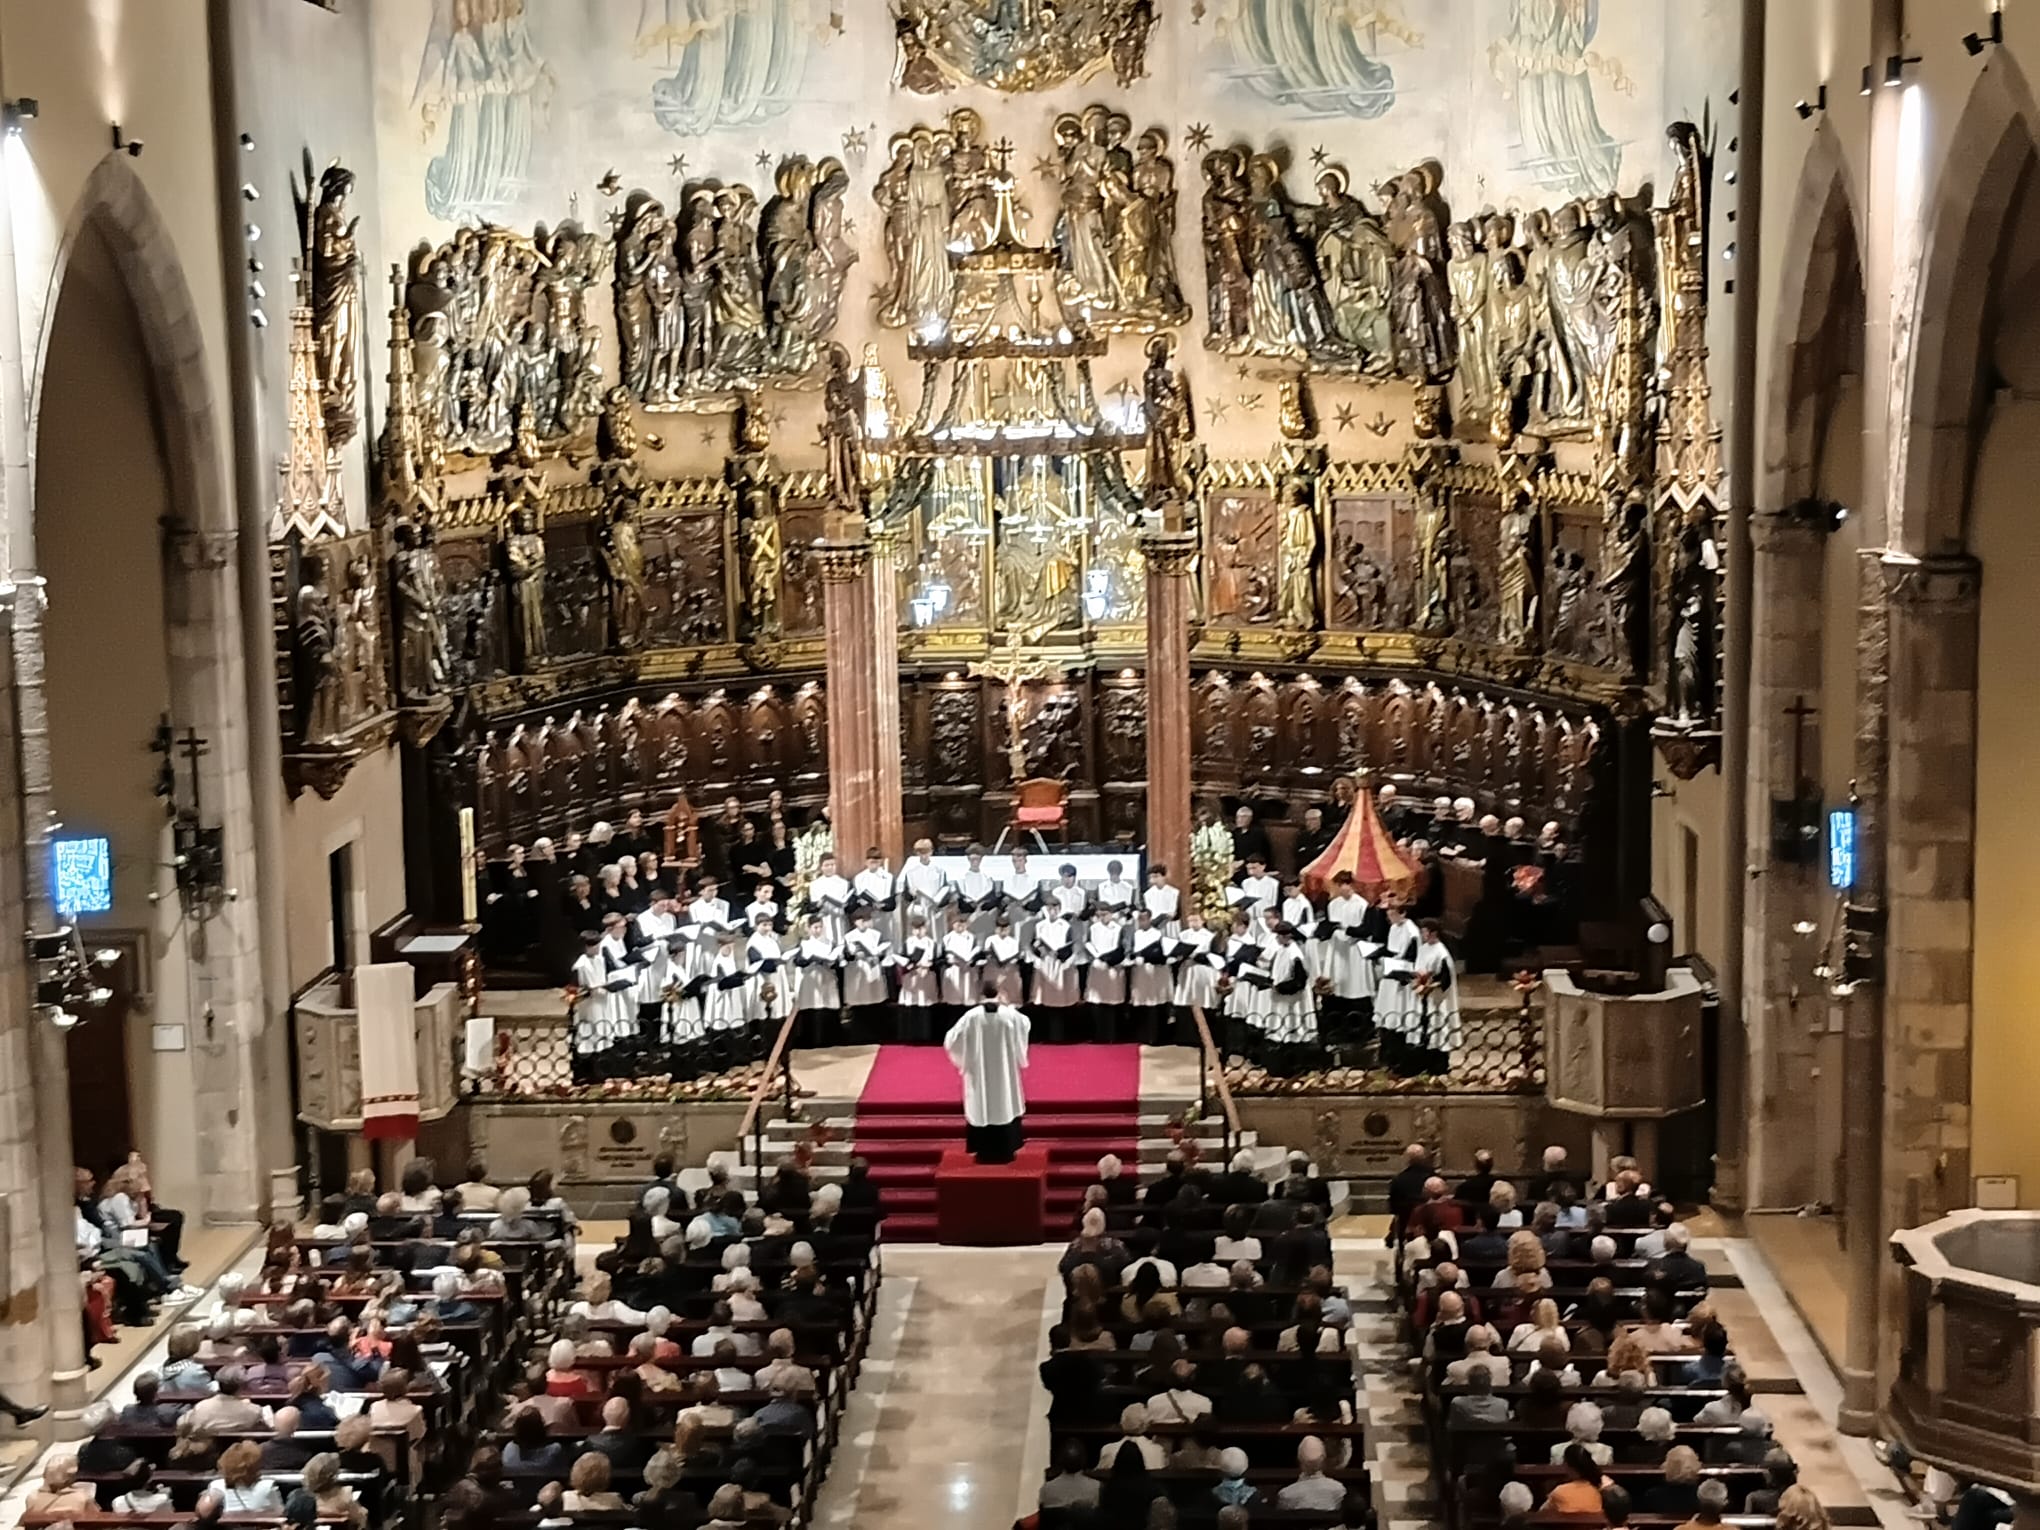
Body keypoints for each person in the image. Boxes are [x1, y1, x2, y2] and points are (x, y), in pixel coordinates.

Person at [945, 980, 1031, 1164]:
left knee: (981, 1104)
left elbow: (951, 1040)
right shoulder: (1009, 1015)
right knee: (1004, 1102)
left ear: (981, 994)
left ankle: (983, 1152)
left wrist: (964, 1060)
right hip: (1004, 1074)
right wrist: (1008, 1005)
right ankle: (1005, 1150)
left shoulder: (971, 1017)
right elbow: (1025, 1024)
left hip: (979, 1074)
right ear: (998, 993)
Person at [209, 1439, 283, 1514]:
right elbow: (280, 1512)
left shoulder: (216, 1486)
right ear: (255, 1465)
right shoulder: (267, 1486)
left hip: (229, 1526)